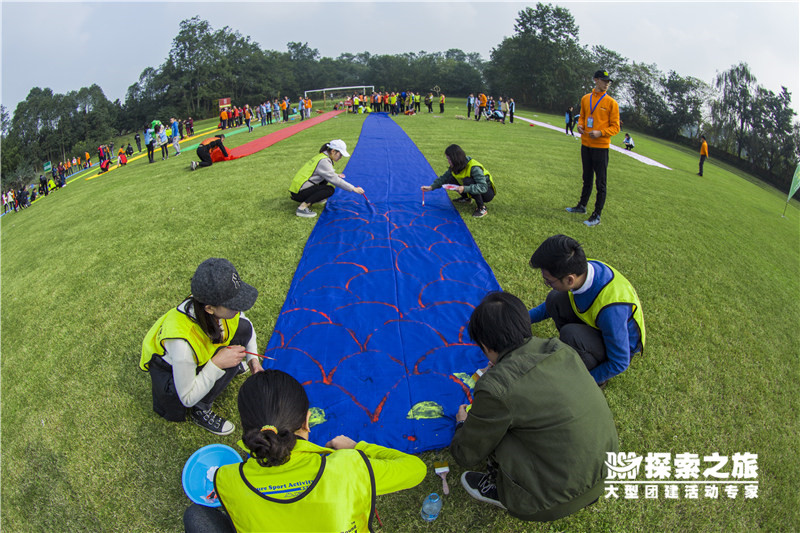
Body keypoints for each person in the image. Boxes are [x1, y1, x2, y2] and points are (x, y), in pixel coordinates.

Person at [183, 370, 426, 533]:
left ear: (250, 432)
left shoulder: (227, 479)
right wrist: (356, 448)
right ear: (307, 421)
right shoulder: (348, 466)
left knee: (196, 516)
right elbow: (416, 470)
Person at [450, 291, 619, 522]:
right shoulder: (560, 349)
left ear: (486, 345)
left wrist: (462, 425)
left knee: (494, 431)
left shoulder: (496, 388)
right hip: (604, 473)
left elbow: (465, 453)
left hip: (550, 501)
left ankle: (500, 488)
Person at [140, 258, 262, 435]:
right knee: (216, 371)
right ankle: (201, 409)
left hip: (200, 354)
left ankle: (224, 366)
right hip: (171, 375)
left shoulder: (213, 306)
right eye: (234, 304)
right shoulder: (182, 344)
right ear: (210, 309)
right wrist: (217, 364)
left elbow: (245, 325)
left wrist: (253, 361)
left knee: (241, 331)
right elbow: (187, 397)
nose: (239, 308)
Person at [527, 234, 645, 385]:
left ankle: (589, 369)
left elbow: (620, 362)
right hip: (599, 327)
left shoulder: (611, 309)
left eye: (548, 281)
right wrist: (520, 319)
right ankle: (573, 349)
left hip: (617, 347)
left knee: (571, 334)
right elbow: (549, 307)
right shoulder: (583, 271)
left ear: (570, 279)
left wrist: (584, 383)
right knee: (555, 298)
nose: (547, 283)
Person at [566, 69, 620, 227]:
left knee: (601, 182)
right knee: (587, 177)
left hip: (601, 147)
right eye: (604, 80)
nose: (607, 83)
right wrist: (580, 126)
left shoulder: (611, 103)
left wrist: (601, 132)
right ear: (596, 80)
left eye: (608, 81)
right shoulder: (585, 99)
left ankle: (597, 214)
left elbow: (615, 127)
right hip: (586, 144)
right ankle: (581, 206)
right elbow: (582, 116)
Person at [289, 140, 364, 218]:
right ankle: (302, 208)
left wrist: (335, 175)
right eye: (340, 154)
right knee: (329, 190)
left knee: (326, 179)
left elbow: (323, 173)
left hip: (296, 189)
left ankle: (316, 198)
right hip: (299, 193)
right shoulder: (324, 161)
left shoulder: (322, 156)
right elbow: (335, 180)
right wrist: (353, 188)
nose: (341, 157)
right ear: (333, 151)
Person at [421, 144, 496, 218]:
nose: (448, 161)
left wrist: (465, 188)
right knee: (450, 179)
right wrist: (431, 187)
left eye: (449, 159)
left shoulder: (474, 167)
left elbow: (483, 187)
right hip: (476, 188)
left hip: (487, 193)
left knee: (467, 181)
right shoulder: (455, 166)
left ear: (455, 159)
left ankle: (482, 208)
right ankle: (466, 198)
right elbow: (444, 178)